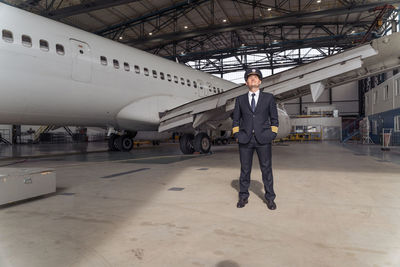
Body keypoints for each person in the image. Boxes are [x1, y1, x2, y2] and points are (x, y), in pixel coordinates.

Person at [232, 68, 279, 210]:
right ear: (246, 82)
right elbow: (235, 120)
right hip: (245, 139)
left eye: (255, 77)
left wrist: (272, 134)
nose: (253, 79)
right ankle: (243, 196)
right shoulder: (240, 100)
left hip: (263, 139)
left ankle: (270, 198)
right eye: (250, 77)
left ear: (260, 81)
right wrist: (237, 135)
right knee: (245, 170)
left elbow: (274, 119)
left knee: (266, 169)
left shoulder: (269, 98)